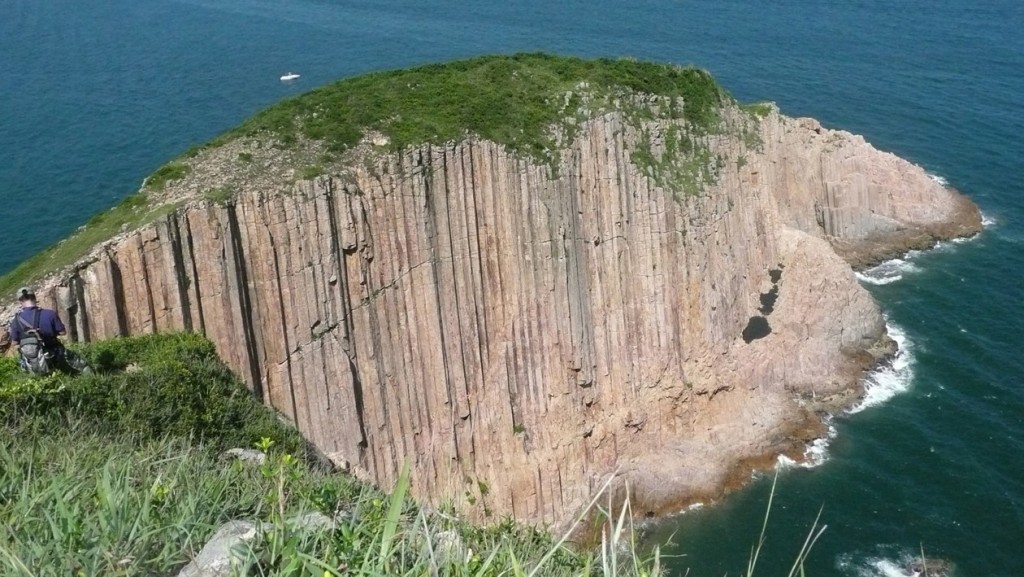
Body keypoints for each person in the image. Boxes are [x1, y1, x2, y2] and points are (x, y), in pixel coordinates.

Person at [8, 287, 86, 375]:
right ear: (35, 298)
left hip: (32, 361)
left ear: (20, 301)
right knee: (83, 367)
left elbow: (15, 342)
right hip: (55, 354)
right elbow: (62, 332)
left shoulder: (15, 320)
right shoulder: (49, 314)